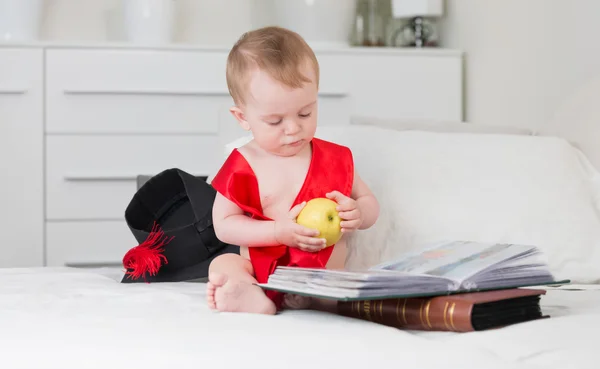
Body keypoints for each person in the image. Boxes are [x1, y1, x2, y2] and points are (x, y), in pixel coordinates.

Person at [206, 26, 380, 315]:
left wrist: (359, 213)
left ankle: (318, 300)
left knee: (351, 286)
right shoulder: (245, 163)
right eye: (275, 121)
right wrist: (277, 231)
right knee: (224, 264)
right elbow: (223, 225)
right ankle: (246, 294)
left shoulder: (334, 158)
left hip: (324, 277)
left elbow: (369, 203)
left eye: (305, 113)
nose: (293, 128)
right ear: (242, 117)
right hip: (263, 274)